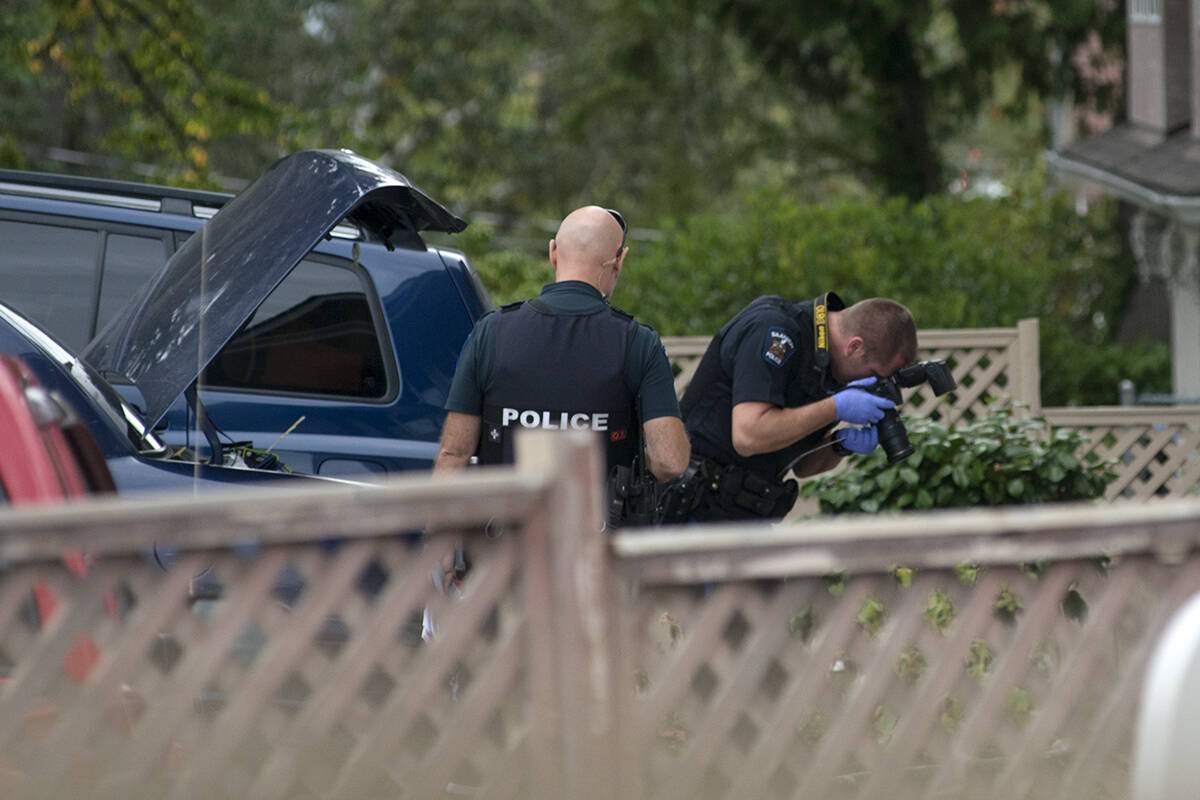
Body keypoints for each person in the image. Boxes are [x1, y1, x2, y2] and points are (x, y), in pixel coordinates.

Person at [434, 205, 690, 524]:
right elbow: (670, 461)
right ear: (620, 261)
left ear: (552, 252)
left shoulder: (492, 332)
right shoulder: (639, 343)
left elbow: (453, 454)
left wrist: (439, 546)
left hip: (504, 552)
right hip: (597, 554)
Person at [661, 292, 917, 523]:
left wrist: (839, 445)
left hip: (743, 515)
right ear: (855, 346)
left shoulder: (828, 369)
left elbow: (802, 466)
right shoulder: (774, 329)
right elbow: (748, 436)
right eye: (873, 374)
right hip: (691, 508)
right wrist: (836, 408)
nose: (870, 384)